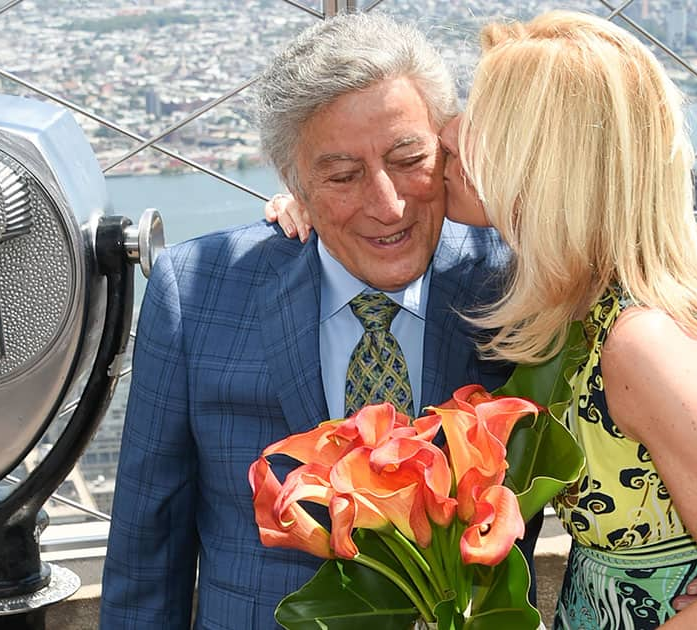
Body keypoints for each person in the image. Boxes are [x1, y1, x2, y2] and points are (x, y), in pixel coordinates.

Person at [100, 13, 540, 630]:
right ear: (293, 182)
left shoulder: (514, 283)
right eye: (342, 176)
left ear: (446, 148)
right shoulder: (198, 293)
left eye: (408, 157)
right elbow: (148, 549)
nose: (387, 205)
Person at [439, 10, 697, 629]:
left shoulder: (645, 342)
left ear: (547, 160)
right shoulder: (587, 306)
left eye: (482, 115)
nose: (449, 132)